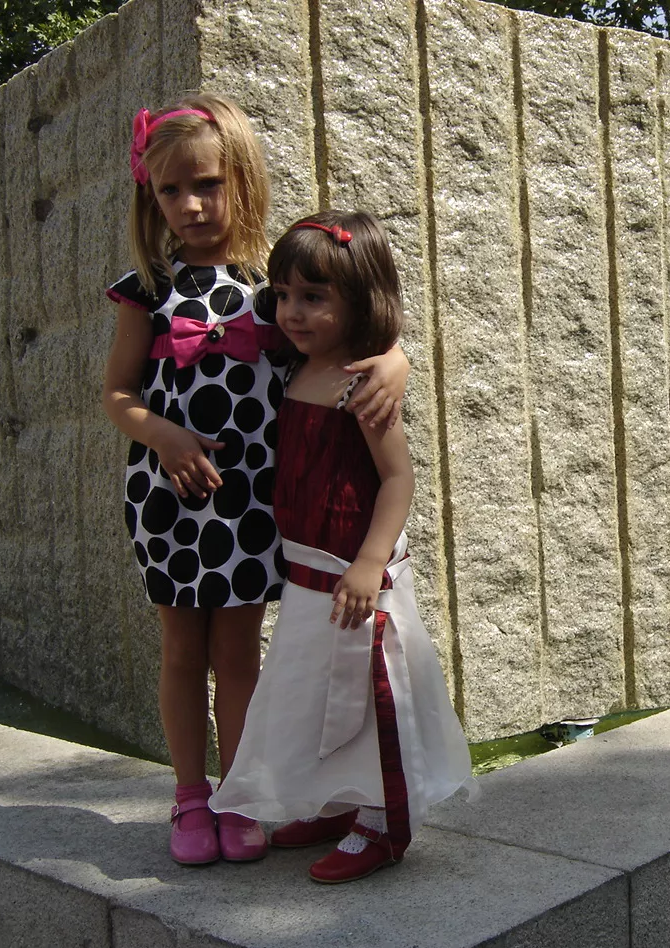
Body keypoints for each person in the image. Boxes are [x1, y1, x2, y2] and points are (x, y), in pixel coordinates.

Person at [100, 95, 410, 866]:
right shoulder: (145, 289)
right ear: (151, 196)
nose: (190, 205)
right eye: (171, 190)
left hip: (247, 504)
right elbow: (117, 394)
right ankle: (188, 794)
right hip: (168, 499)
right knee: (181, 649)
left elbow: (352, 330)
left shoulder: (272, 289)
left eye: (207, 184)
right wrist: (163, 434)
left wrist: (397, 360)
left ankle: (238, 794)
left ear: (241, 178)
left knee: (238, 652)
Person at [210, 212, 473, 883]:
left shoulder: (362, 383)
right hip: (306, 575)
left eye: (313, 297)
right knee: (311, 694)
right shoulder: (295, 366)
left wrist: (370, 563)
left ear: (358, 299)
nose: (292, 312)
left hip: (354, 577)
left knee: (368, 697)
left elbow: (397, 478)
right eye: (284, 295)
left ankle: (383, 821)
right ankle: (337, 801)